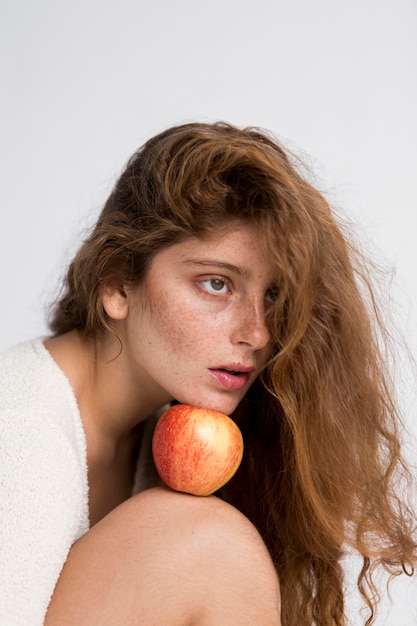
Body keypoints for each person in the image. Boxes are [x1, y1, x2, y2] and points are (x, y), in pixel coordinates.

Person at [0, 121, 415, 626]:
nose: (258, 334)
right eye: (216, 284)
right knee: (211, 544)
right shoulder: (21, 431)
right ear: (117, 285)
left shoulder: (156, 428)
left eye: (273, 296)